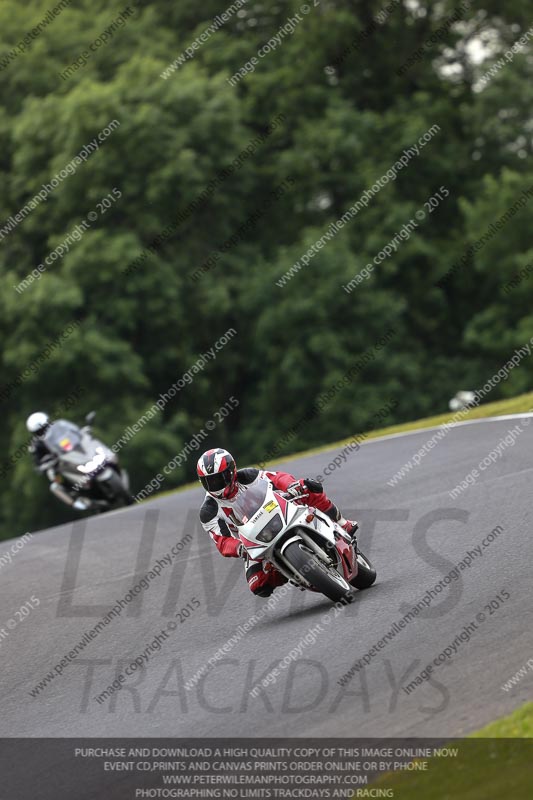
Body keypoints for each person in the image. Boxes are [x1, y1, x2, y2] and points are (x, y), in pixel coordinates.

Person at [197, 447, 358, 598]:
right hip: (252, 538)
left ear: (231, 471)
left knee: (309, 487)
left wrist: (292, 486)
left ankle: (342, 522)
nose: (215, 485)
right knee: (258, 585)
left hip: (277, 510)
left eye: (219, 479)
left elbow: (277, 478)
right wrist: (239, 548)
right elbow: (222, 541)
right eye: (209, 481)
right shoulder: (208, 511)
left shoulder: (248, 476)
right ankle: (288, 568)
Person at [26, 412, 92, 511]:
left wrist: (82, 432)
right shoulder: (35, 445)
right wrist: (43, 465)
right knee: (54, 482)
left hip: (75, 454)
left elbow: (74, 431)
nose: (44, 431)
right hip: (59, 464)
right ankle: (74, 500)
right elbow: (37, 462)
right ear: (35, 432)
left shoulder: (60, 426)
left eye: (45, 427)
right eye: (40, 431)